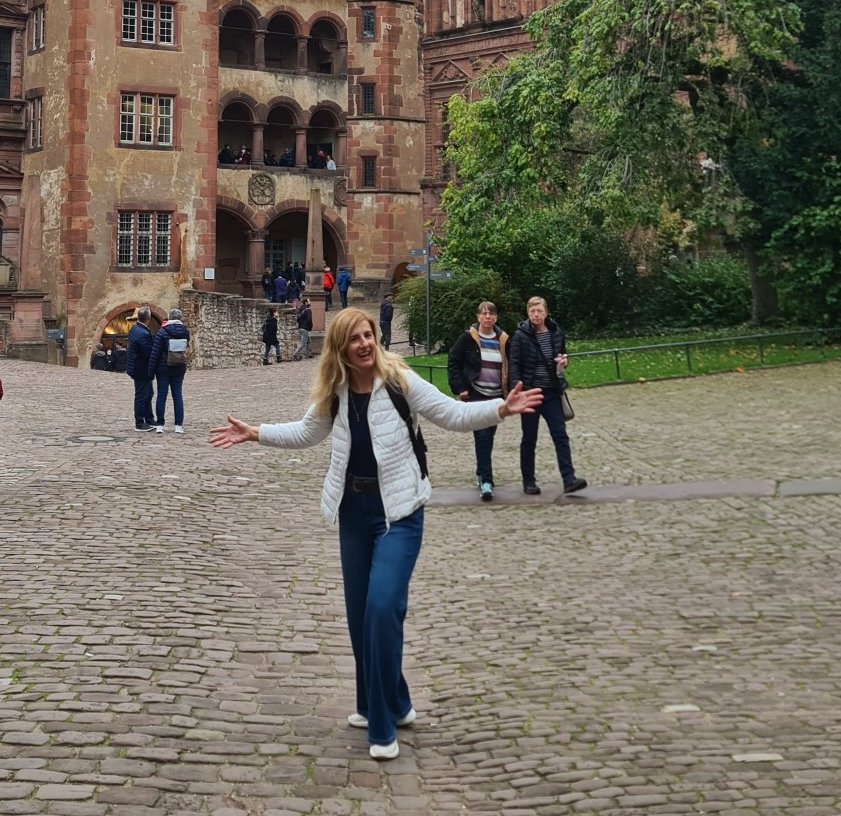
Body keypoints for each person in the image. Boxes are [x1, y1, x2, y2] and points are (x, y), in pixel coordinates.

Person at [210, 306, 543, 759]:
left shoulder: (400, 381)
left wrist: (500, 409)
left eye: (369, 336)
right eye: (355, 339)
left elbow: (450, 413)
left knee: (383, 608)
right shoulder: (336, 392)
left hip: (400, 512)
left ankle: (382, 726)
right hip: (353, 512)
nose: (364, 345)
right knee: (359, 618)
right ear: (341, 348)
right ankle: (391, 701)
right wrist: (256, 433)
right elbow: (307, 432)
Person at [511, 296, 587, 495]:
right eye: (532, 312)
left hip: (552, 392)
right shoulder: (520, 335)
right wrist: (517, 390)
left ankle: (569, 478)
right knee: (529, 438)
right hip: (530, 392)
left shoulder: (556, 332)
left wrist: (564, 362)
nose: (536, 315)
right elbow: (514, 364)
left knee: (560, 435)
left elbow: (562, 355)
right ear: (527, 313)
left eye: (540, 311)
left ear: (546, 313)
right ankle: (528, 480)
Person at [447, 302, 510, 501]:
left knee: (488, 436)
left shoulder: (504, 339)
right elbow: (453, 360)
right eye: (484, 314)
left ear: (496, 318)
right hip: (477, 394)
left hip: (496, 395)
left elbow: (512, 363)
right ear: (478, 317)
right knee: (482, 436)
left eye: (491, 314)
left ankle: (480, 472)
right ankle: (487, 482)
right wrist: (460, 387)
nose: (487, 317)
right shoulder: (468, 338)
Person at [153, 307, 192, 433]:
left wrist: (151, 370)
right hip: (179, 366)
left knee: (162, 396)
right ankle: (178, 426)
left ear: (169, 318)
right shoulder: (185, 331)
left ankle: (160, 425)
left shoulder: (162, 332)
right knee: (177, 395)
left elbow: (156, 352)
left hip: (163, 368)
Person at [126, 307, 158, 431]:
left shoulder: (136, 328)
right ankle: (139, 422)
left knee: (148, 393)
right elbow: (148, 352)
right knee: (142, 395)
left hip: (138, 367)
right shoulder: (142, 333)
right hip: (141, 369)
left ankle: (149, 418)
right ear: (148, 319)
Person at [294, 291, 315, 361]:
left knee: (308, 340)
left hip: (301, 327)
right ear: (306, 303)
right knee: (303, 343)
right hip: (305, 328)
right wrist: (310, 326)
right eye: (309, 301)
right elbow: (309, 320)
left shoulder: (301, 309)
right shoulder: (308, 310)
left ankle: (309, 353)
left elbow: (298, 319)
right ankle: (295, 354)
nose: (310, 302)